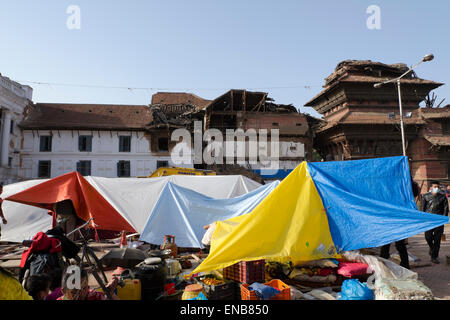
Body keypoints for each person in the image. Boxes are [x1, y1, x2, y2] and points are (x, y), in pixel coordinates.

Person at [421, 180, 449, 264]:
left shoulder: (442, 197)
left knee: (437, 239)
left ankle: (434, 257)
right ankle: (432, 248)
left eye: (437, 187)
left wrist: (443, 219)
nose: (436, 188)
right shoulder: (425, 196)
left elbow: (446, 208)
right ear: (431, 188)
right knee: (428, 237)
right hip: (429, 220)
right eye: (435, 187)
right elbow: (423, 209)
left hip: (439, 220)